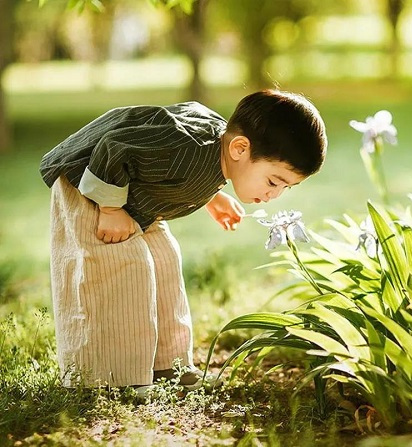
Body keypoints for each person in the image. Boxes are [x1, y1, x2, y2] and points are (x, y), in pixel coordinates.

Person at [39, 89, 327, 395]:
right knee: (121, 267)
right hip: (91, 182)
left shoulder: (221, 150)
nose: (274, 195)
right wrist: (109, 208)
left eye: (286, 188)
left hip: (138, 198)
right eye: (273, 181)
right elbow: (115, 147)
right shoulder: (183, 147)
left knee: (164, 260)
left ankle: (169, 366)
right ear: (240, 149)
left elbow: (180, 169)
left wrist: (212, 196)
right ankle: (111, 379)